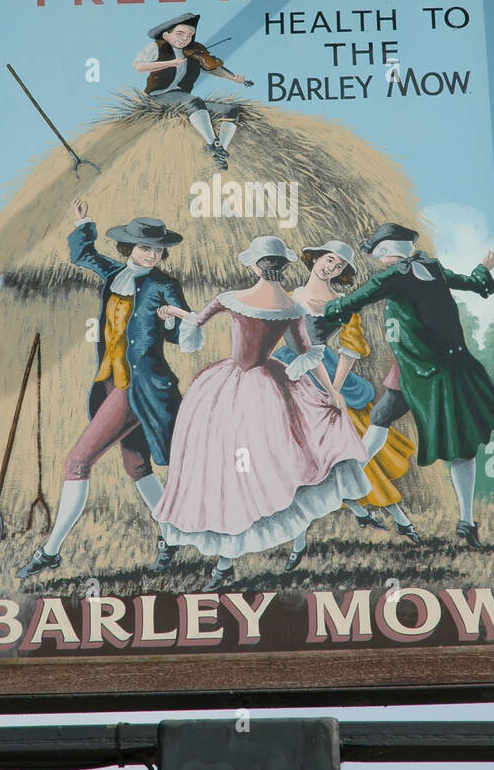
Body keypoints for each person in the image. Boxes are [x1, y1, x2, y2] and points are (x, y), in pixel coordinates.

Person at [152, 236, 372, 591]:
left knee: (215, 467)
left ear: (255, 266)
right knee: (251, 471)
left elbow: (194, 328)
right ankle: (222, 561)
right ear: (281, 268)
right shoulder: (291, 306)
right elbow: (309, 355)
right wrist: (330, 392)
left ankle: (204, 554)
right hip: (271, 387)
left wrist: (175, 317)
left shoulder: (231, 299)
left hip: (224, 390)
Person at [16, 203, 189, 579]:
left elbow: (185, 335)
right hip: (109, 382)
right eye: (145, 248)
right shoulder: (114, 275)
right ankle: (172, 537)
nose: (152, 254)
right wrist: (82, 223)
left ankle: (50, 551)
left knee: (77, 463)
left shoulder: (165, 286)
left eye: (157, 250)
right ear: (129, 249)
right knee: (137, 465)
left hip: (138, 389)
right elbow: (83, 255)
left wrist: (173, 322)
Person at [323, 222, 494, 549]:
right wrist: (483, 269)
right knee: (448, 444)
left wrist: (324, 310)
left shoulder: (394, 275)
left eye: (377, 252)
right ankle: (466, 521)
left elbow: (355, 300)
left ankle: (343, 482)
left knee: (383, 424)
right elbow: (473, 284)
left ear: (386, 252)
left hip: (420, 372)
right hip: (443, 368)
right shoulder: (433, 268)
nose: (377, 259)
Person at [273, 240, 420, 543]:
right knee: (305, 455)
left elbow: (351, 350)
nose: (331, 267)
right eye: (328, 260)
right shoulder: (289, 298)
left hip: (331, 376)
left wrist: (335, 390)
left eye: (339, 266)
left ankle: (399, 519)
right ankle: (314, 531)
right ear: (314, 260)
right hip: (291, 376)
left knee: (355, 451)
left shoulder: (345, 303)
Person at [132, 13, 250, 169]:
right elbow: (139, 66)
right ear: (167, 34)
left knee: (231, 110)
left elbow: (210, 68)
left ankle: (220, 152)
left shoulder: (193, 52)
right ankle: (212, 142)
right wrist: (171, 63)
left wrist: (232, 77)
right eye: (180, 34)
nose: (185, 39)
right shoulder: (157, 47)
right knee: (194, 101)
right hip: (157, 97)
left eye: (190, 35)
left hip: (182, 97)